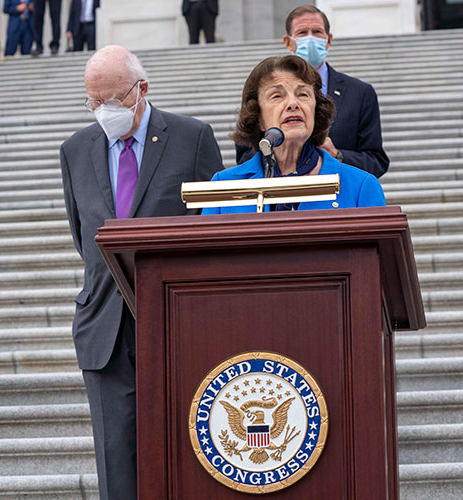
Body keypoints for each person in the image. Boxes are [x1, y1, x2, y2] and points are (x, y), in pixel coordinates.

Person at [59, 45, 223, 500]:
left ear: (142, 89)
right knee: (116, 461)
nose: (103, 111)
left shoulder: (191, 138)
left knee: (190, 447)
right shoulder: (75, 150)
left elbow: (214, 229)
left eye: (113, 100)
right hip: (105, 327)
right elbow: (83, 236)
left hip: (176, 319)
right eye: (94, 101)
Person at [203, 55, 385, 215]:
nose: (293, 104)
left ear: (316, 110)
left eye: (303, 94)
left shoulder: (361, 186)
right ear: (258, 117)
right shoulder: (224, 184)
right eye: (277, 96)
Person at [234, 5, 389, 179]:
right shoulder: (263, 89)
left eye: (317, 31)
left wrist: (337, 155)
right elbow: (245, 154)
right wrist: (280, 154)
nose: (310, 38)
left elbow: (376, 161)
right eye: (302, 32)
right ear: (288, 42)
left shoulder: (360, 92)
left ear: (328, 40)